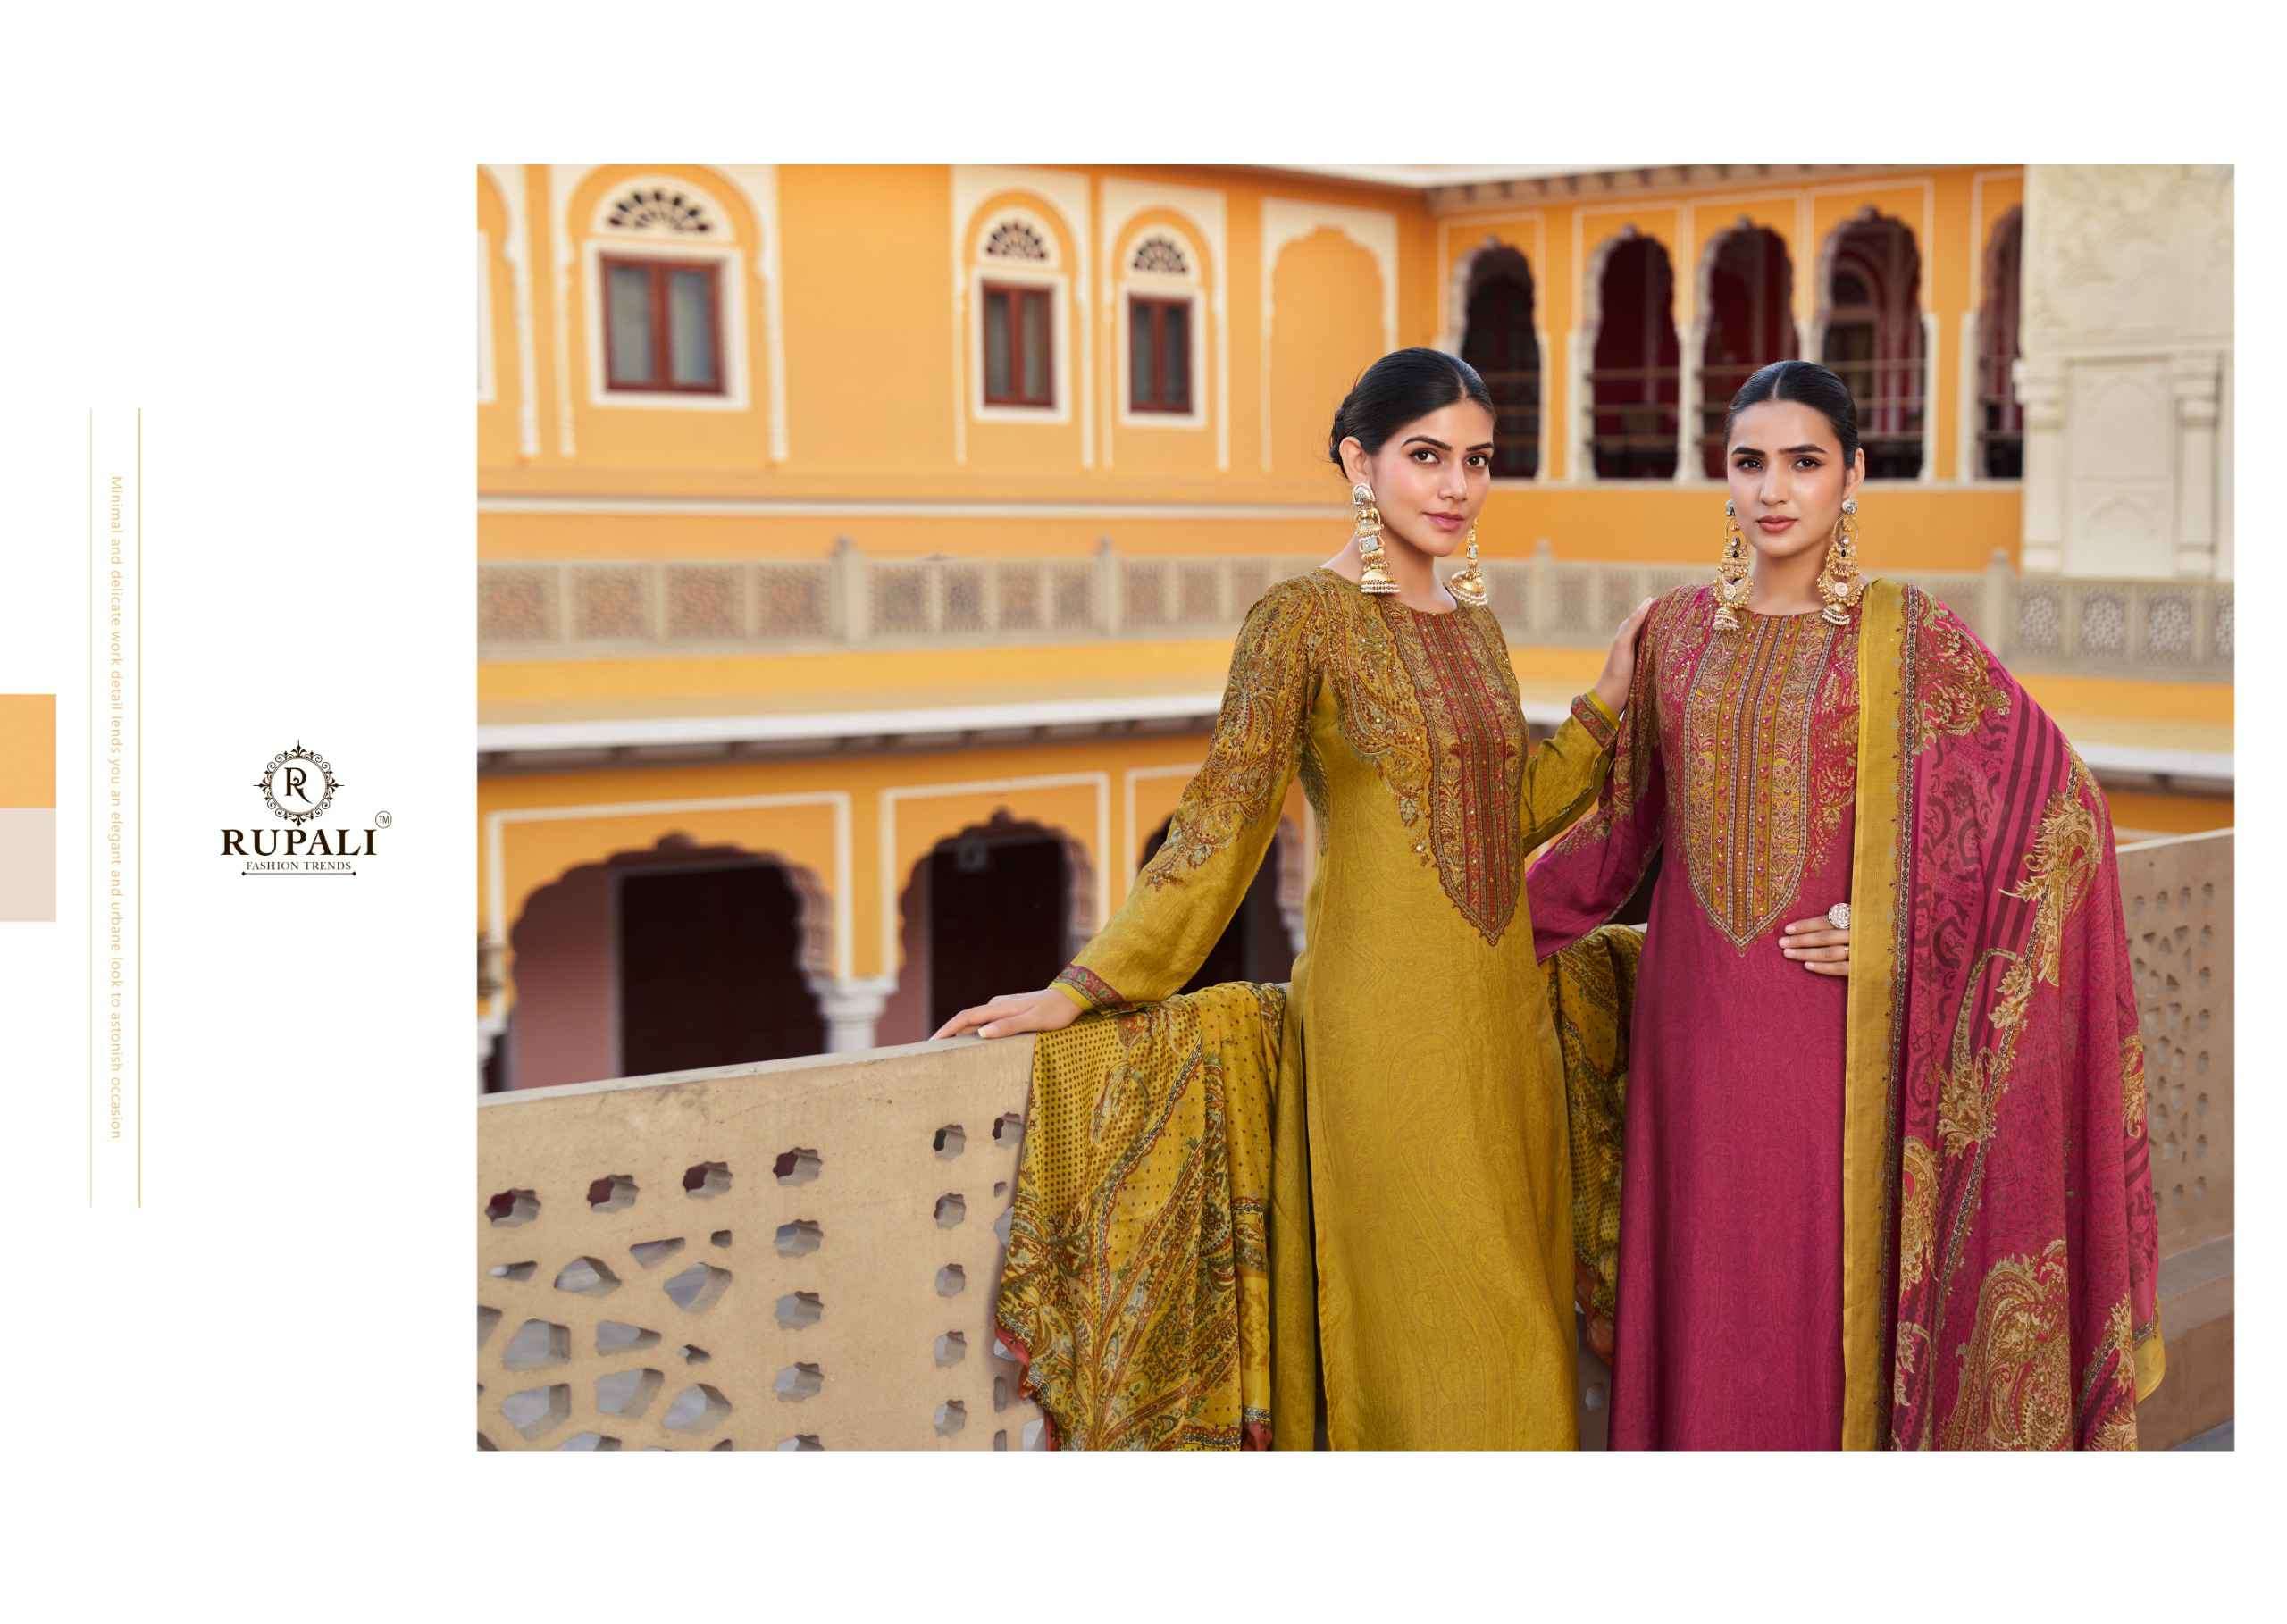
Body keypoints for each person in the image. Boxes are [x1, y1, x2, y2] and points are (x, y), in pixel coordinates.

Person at [937, 347, 1654, 1448]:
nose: (1457, 486)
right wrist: (1082, 988)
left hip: (1505, 1028)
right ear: (1359, 463)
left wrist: (1603, 701)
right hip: (1382, 1033)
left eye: (1477, 460)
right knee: (1426, 1319)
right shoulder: (1298, 621)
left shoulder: (1472, 622)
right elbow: (1221, 822)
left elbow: (1503, 816)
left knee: (1519, 1316)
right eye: (1426, 457)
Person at [1529, 360, 2163, 1449]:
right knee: (1700, 1303)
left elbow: (2060, 819)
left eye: (1803, 463)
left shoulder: (1909, 637)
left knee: (1818, 1317)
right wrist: (1467, 935)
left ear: (1853, 476)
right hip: (1689, 1049)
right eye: (1749, 463)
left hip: (1831, 1048)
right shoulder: (1671, 633)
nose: (1773, 490)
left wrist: (1902, 930)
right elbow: (1617, 839)